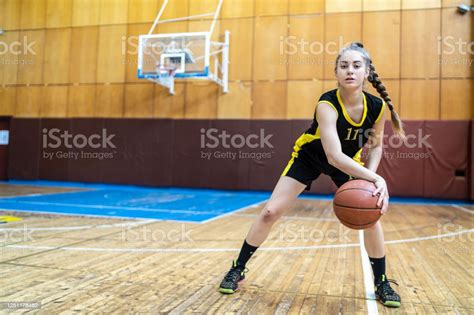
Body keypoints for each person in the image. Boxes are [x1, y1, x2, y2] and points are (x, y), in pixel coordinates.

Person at [218, 42, 405, 308]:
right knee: (270, 211)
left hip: (348, 163)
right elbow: (333, 156)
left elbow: (376, 145)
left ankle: (382, 281)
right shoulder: (327, 104)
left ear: (367, 73)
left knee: (371, 216)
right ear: (336, 72)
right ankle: (238, 267)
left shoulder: (376, 107)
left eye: (356, 66)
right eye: (343, 66)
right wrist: (376, 179)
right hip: (311, 155)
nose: (349, 71)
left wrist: (369, 180)